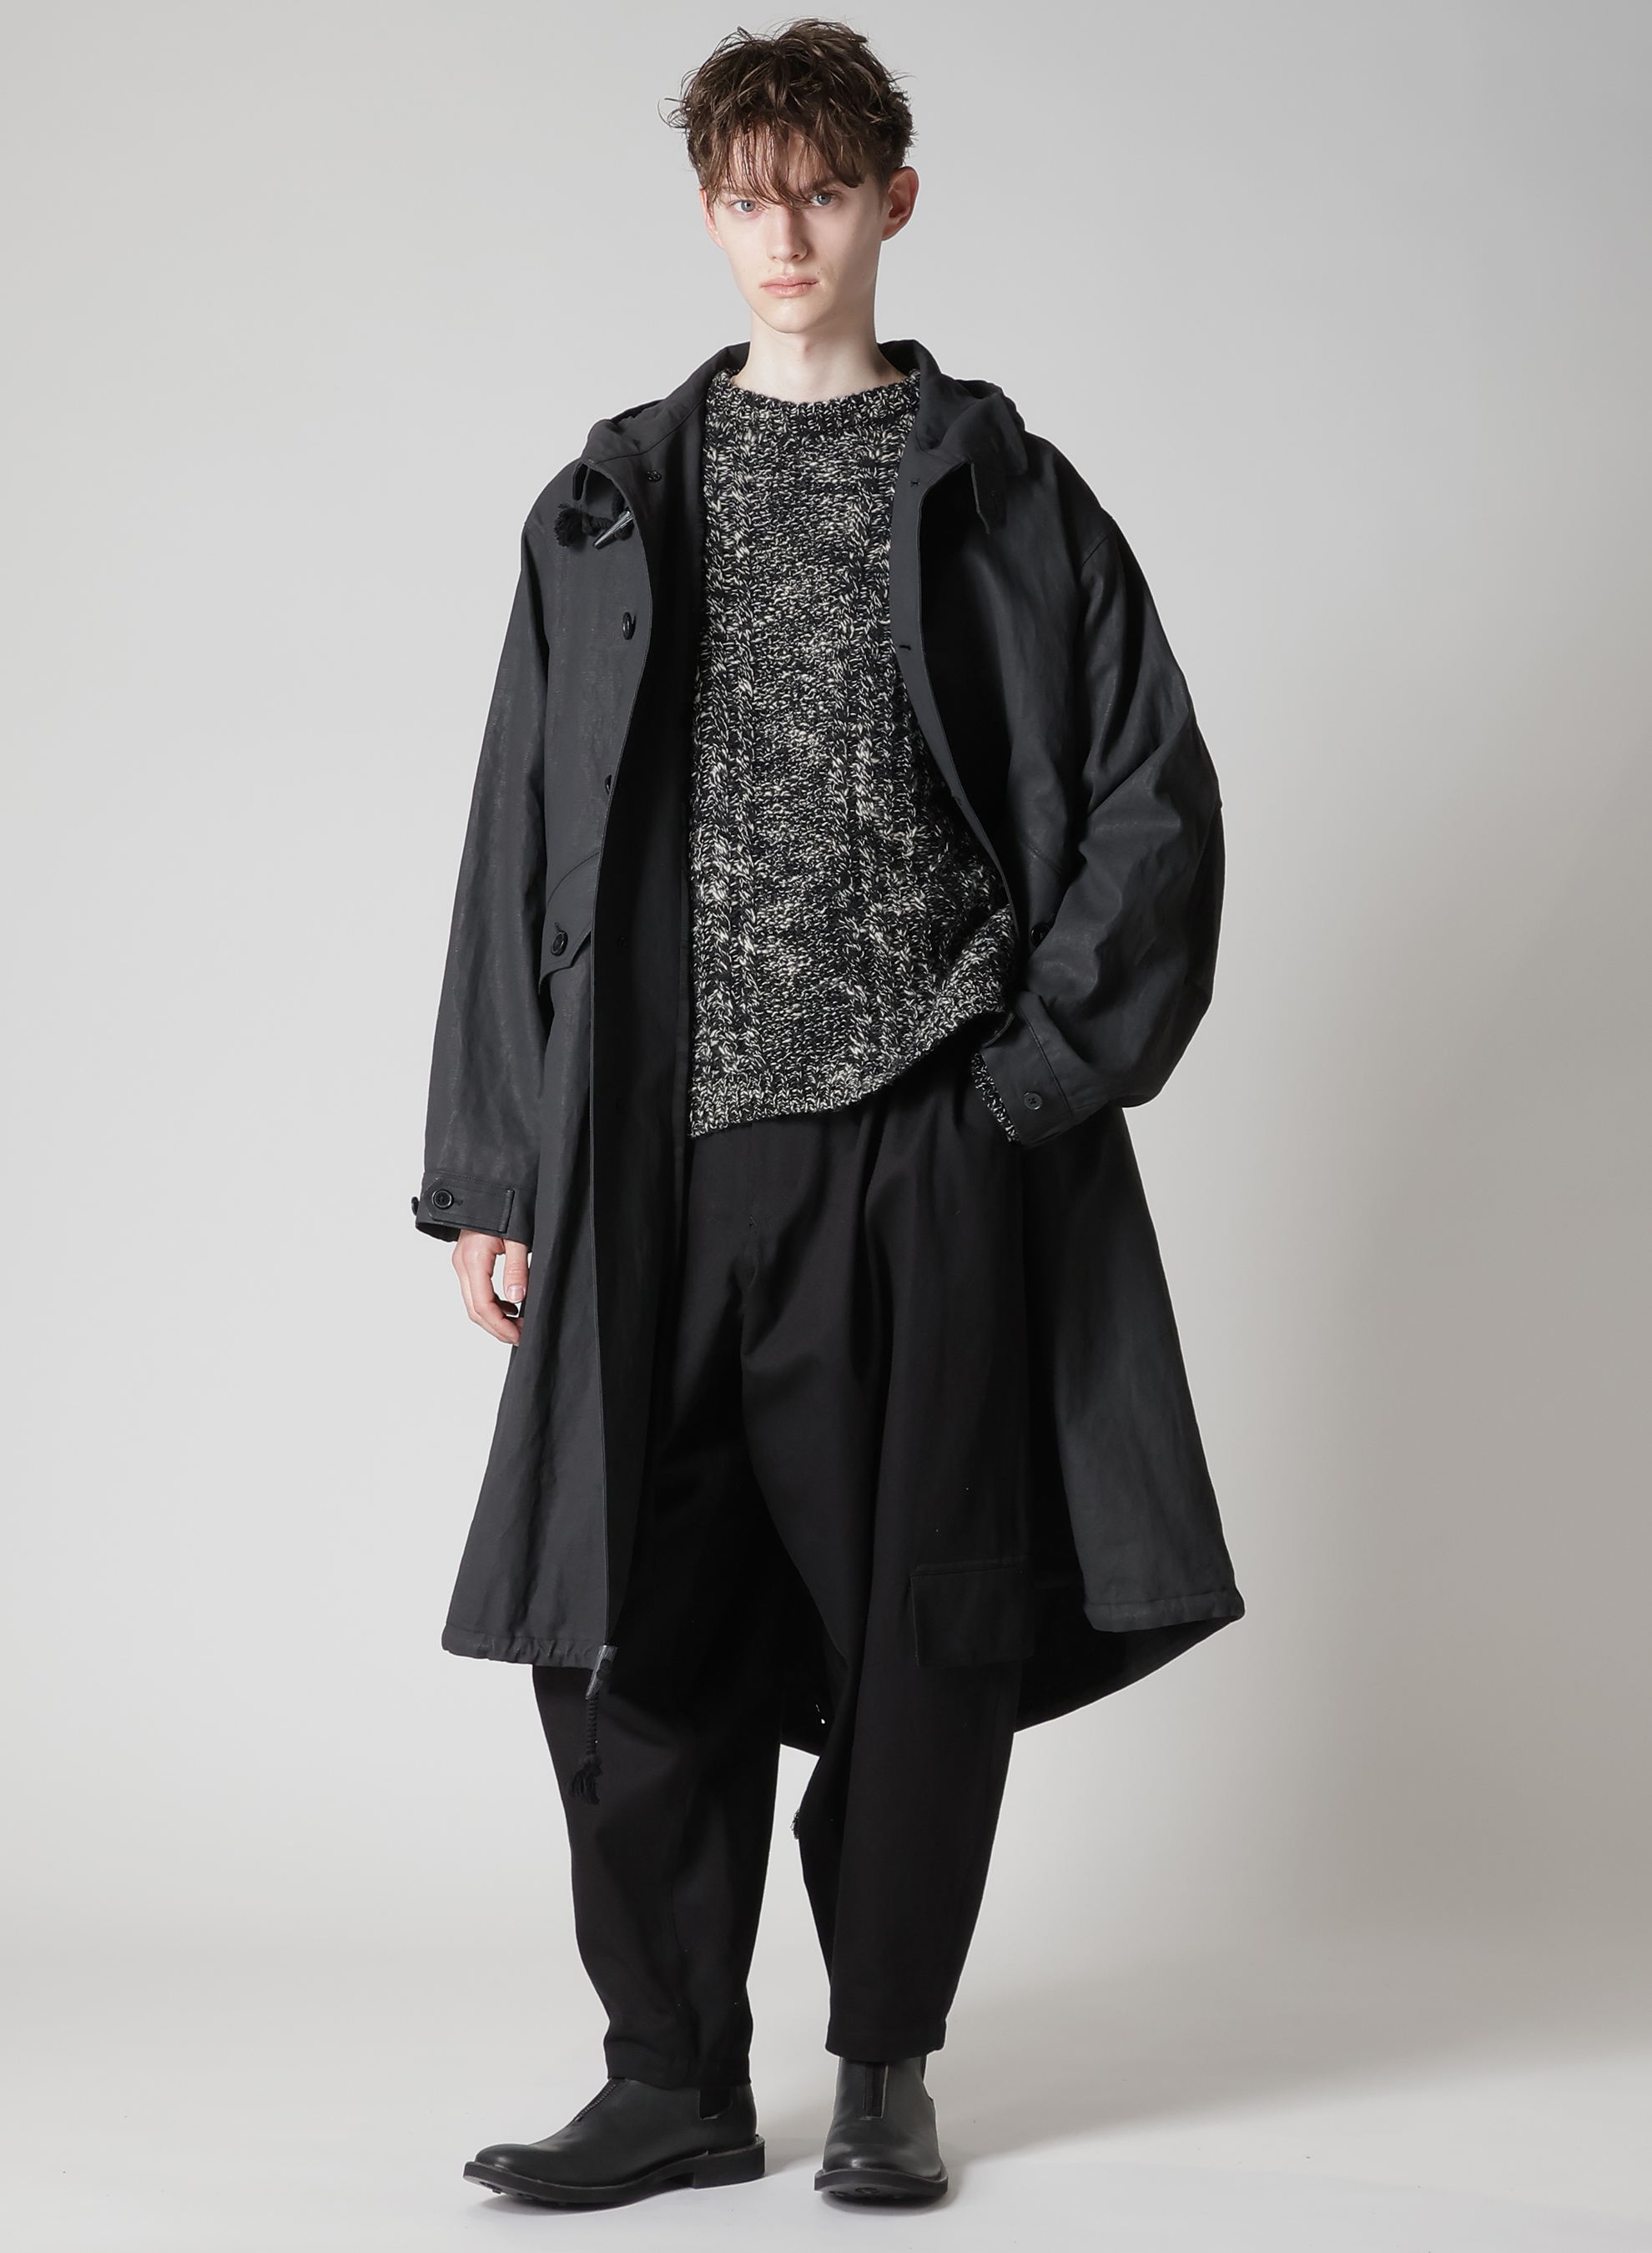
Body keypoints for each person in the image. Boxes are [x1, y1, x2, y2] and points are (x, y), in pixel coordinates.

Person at [414, 17, 1242, 2212]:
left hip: (925, 1138)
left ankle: (884, 2064)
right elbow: (514, 839)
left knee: (921, 1619)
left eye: (819, 191)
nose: (781, 235)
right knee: (627, 1620)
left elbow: (1153, 808)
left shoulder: (1009, 496)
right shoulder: (609, 503)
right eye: (742, 198)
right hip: (657, 1155)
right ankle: (672, 2074)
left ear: (892, 200)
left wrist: (1022, 1085)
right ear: (707, 216)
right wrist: (493, 1166)